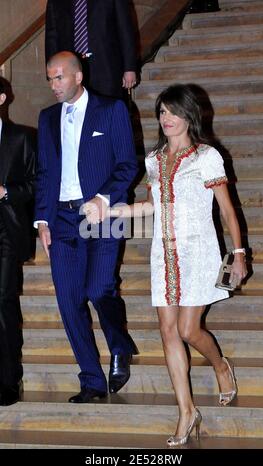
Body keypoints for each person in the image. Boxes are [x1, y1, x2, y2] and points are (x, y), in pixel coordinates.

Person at [108, 84, 247, 445]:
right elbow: (154, 207)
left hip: (198, 253)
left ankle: (219, 364)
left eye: (172, 111)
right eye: (161, 112)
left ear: (189, 115)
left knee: (188, 330)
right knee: (167, 331)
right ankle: (186, 411)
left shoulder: (207, 157)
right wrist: (117, 210)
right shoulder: (153, 160)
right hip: (163, 253)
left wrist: (240, 253)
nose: (165, 118)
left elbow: (228, 210)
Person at [34, 51, 138, 402]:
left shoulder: (111, 110)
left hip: (103, 217)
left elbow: (127, 164)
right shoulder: (47, 118)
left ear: (79, 77)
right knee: (68, 301)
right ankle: (91, 381)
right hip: (61, 220)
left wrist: (103, 199)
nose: (53, 85)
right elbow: (45, 173)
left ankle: (119, 345)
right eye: (50, 78)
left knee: (97, 289)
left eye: (59, 77)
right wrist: (43, 220)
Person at [0, 77, 36, 406]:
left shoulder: (21, 137)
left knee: (2, 304)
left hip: (5, 233)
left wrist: (6, 192)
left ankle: (10, 378)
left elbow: (36, 185)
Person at [45, 0, 137, 99]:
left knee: (108, 109)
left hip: (106, 67)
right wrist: (51, 73)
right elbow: (52, 36)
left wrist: (129, 67)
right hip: (70, 71)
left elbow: (125, 28)